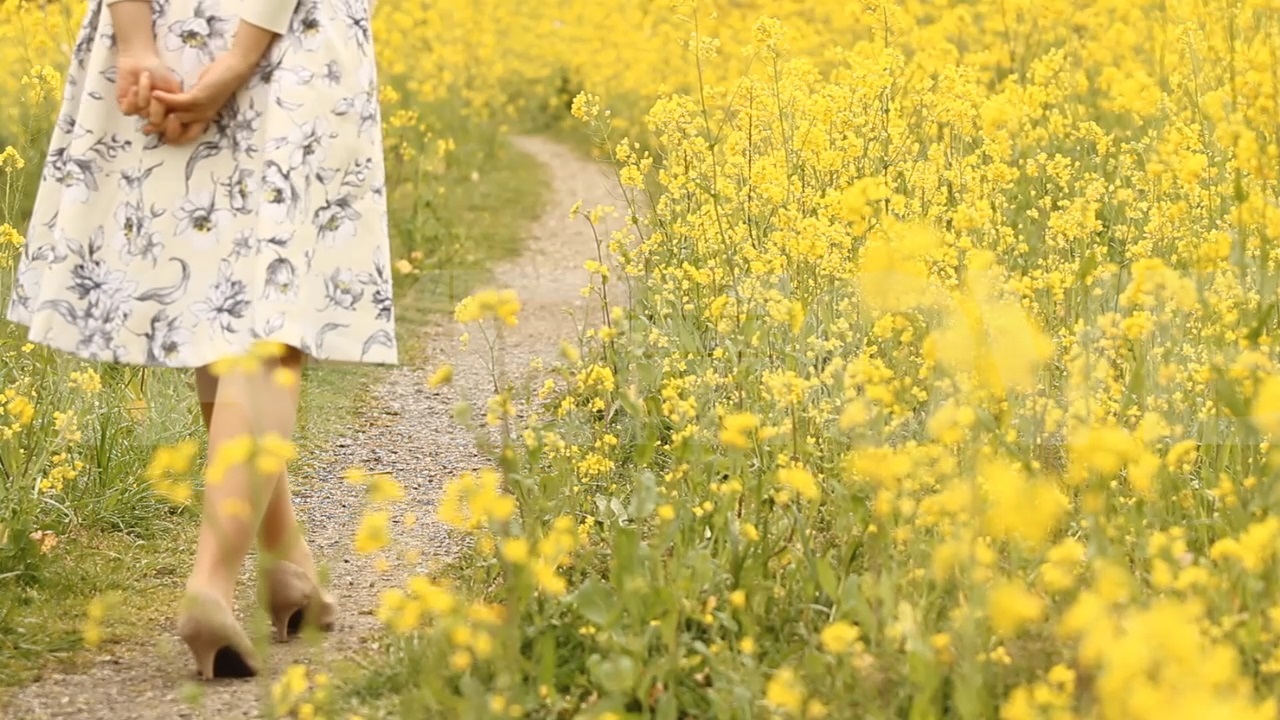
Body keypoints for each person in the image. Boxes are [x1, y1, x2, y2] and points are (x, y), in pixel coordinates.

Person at [5, 0, 397, 679]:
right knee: (271, 326)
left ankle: (287, 567)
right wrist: (241, 56)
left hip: (165, 26)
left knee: (222, 301)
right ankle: (212, 585)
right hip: (280, 35)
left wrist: (135, 43)